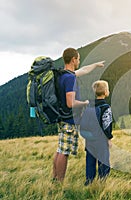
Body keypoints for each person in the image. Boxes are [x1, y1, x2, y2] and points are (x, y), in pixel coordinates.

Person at [52, 47, 105, 182]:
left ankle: (55, 178)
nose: (79, 62)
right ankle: (59, 182)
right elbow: (70, 103)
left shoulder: (63, 75)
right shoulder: (70, 79)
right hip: (69, 120)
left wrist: (95, 65)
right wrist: (84, 103)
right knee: (64, 152)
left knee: (60, 149)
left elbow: (83, 70)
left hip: (62, 117)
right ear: (73, 59)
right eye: (78, 59)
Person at [84, 80, 113, 186]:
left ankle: (89, 182)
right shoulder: (106, 107)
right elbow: (107, 124)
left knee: (90, 162)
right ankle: (102, 183)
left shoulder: (89, 106)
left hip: (89, 140)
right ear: (106, 92)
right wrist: (109, 138)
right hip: (101, 140)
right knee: (103, 162)